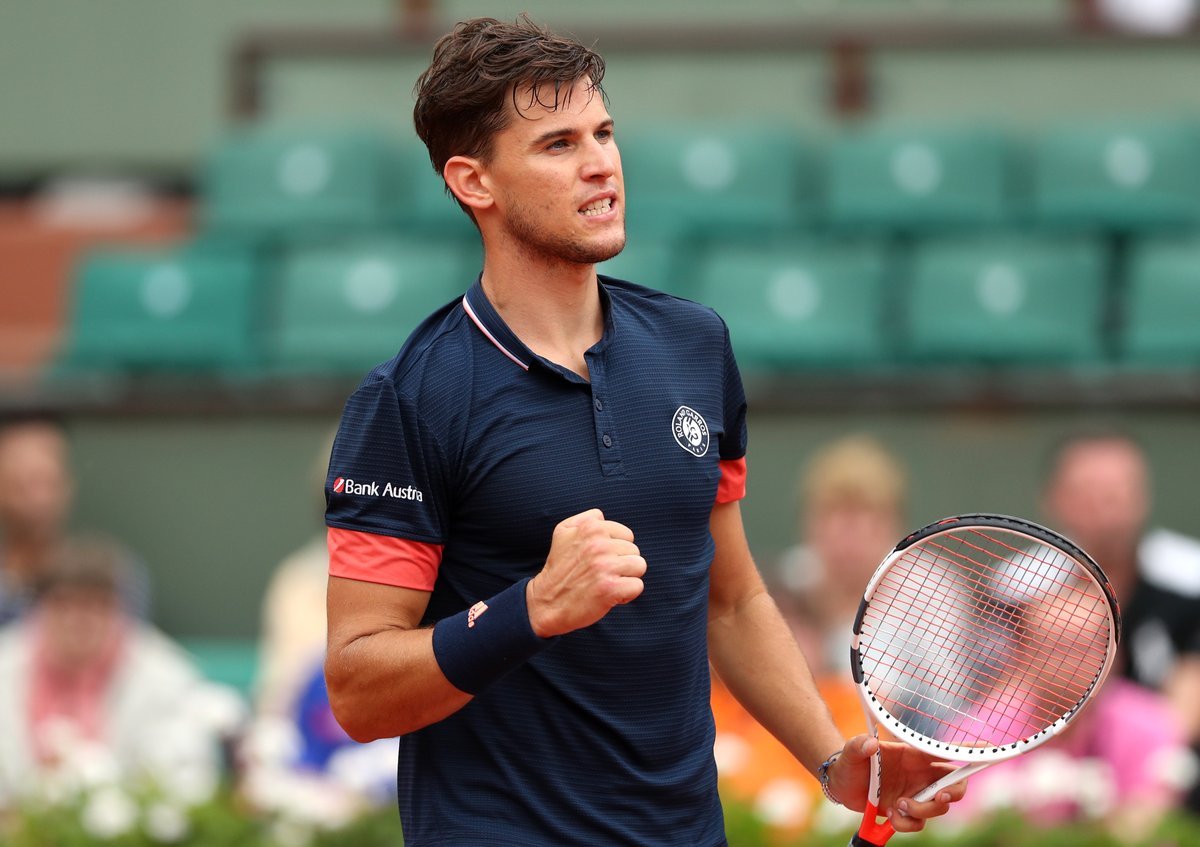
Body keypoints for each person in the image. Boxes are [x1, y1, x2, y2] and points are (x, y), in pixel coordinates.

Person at [322, 16, 966, 846]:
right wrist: (531, 608)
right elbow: (358, 689)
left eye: (604, 132)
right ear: (474, 182)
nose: (601, 163)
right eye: (558, 144)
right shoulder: (409, 398)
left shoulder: (696, 345)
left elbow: (731, 600)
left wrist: (833, 756)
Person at [711, 435, 908, 833]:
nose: (849, 533)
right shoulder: (781, 584)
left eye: (864, 515)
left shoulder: (929, 591)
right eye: (834, 514)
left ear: (893, 523)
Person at [1041, 426, 1200, 810]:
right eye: (1088, 491)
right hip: (1043, 786)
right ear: (1054, 499)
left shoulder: (1190, 583)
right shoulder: (1015, 589)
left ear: (1142, 497)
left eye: (1117, 492)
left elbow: (1185, 711)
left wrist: (1140, 781)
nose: (1105, 507)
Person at [0, 537, 222, 806]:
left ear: (121, 610)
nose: (79, 620)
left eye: (95, 605)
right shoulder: (6, 664)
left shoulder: (169, 678)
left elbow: (186, 786)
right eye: (64, 603)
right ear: (39, 608)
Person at [0, 416, 150, 626]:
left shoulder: (117, 575)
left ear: (67, 485)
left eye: (47, 482)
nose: (38, 500)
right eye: (21, 485)